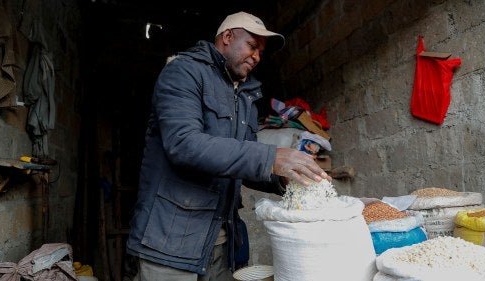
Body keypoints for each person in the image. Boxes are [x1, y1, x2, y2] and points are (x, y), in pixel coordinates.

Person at [126, 11, 331, 281]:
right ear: (227, 37)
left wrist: (284, 175)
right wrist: (271, 156)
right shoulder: (183, 72)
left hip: (220, 244)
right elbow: (184, 145)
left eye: (260, 51)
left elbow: (241, 163)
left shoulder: (244, 96)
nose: (257, 56)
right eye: (252, 46)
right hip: (170, 244)